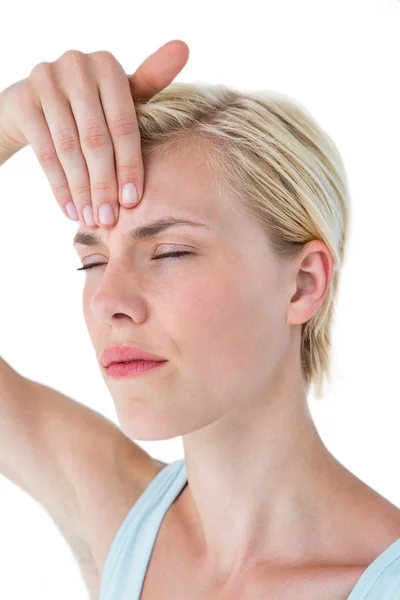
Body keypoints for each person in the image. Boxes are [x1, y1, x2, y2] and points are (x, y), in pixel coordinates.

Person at [1, 40, 400, 600]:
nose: (108, 300)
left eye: (168, 253)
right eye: (92, 260)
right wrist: (9, 121)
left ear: (304, 283)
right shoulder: (120, 520)